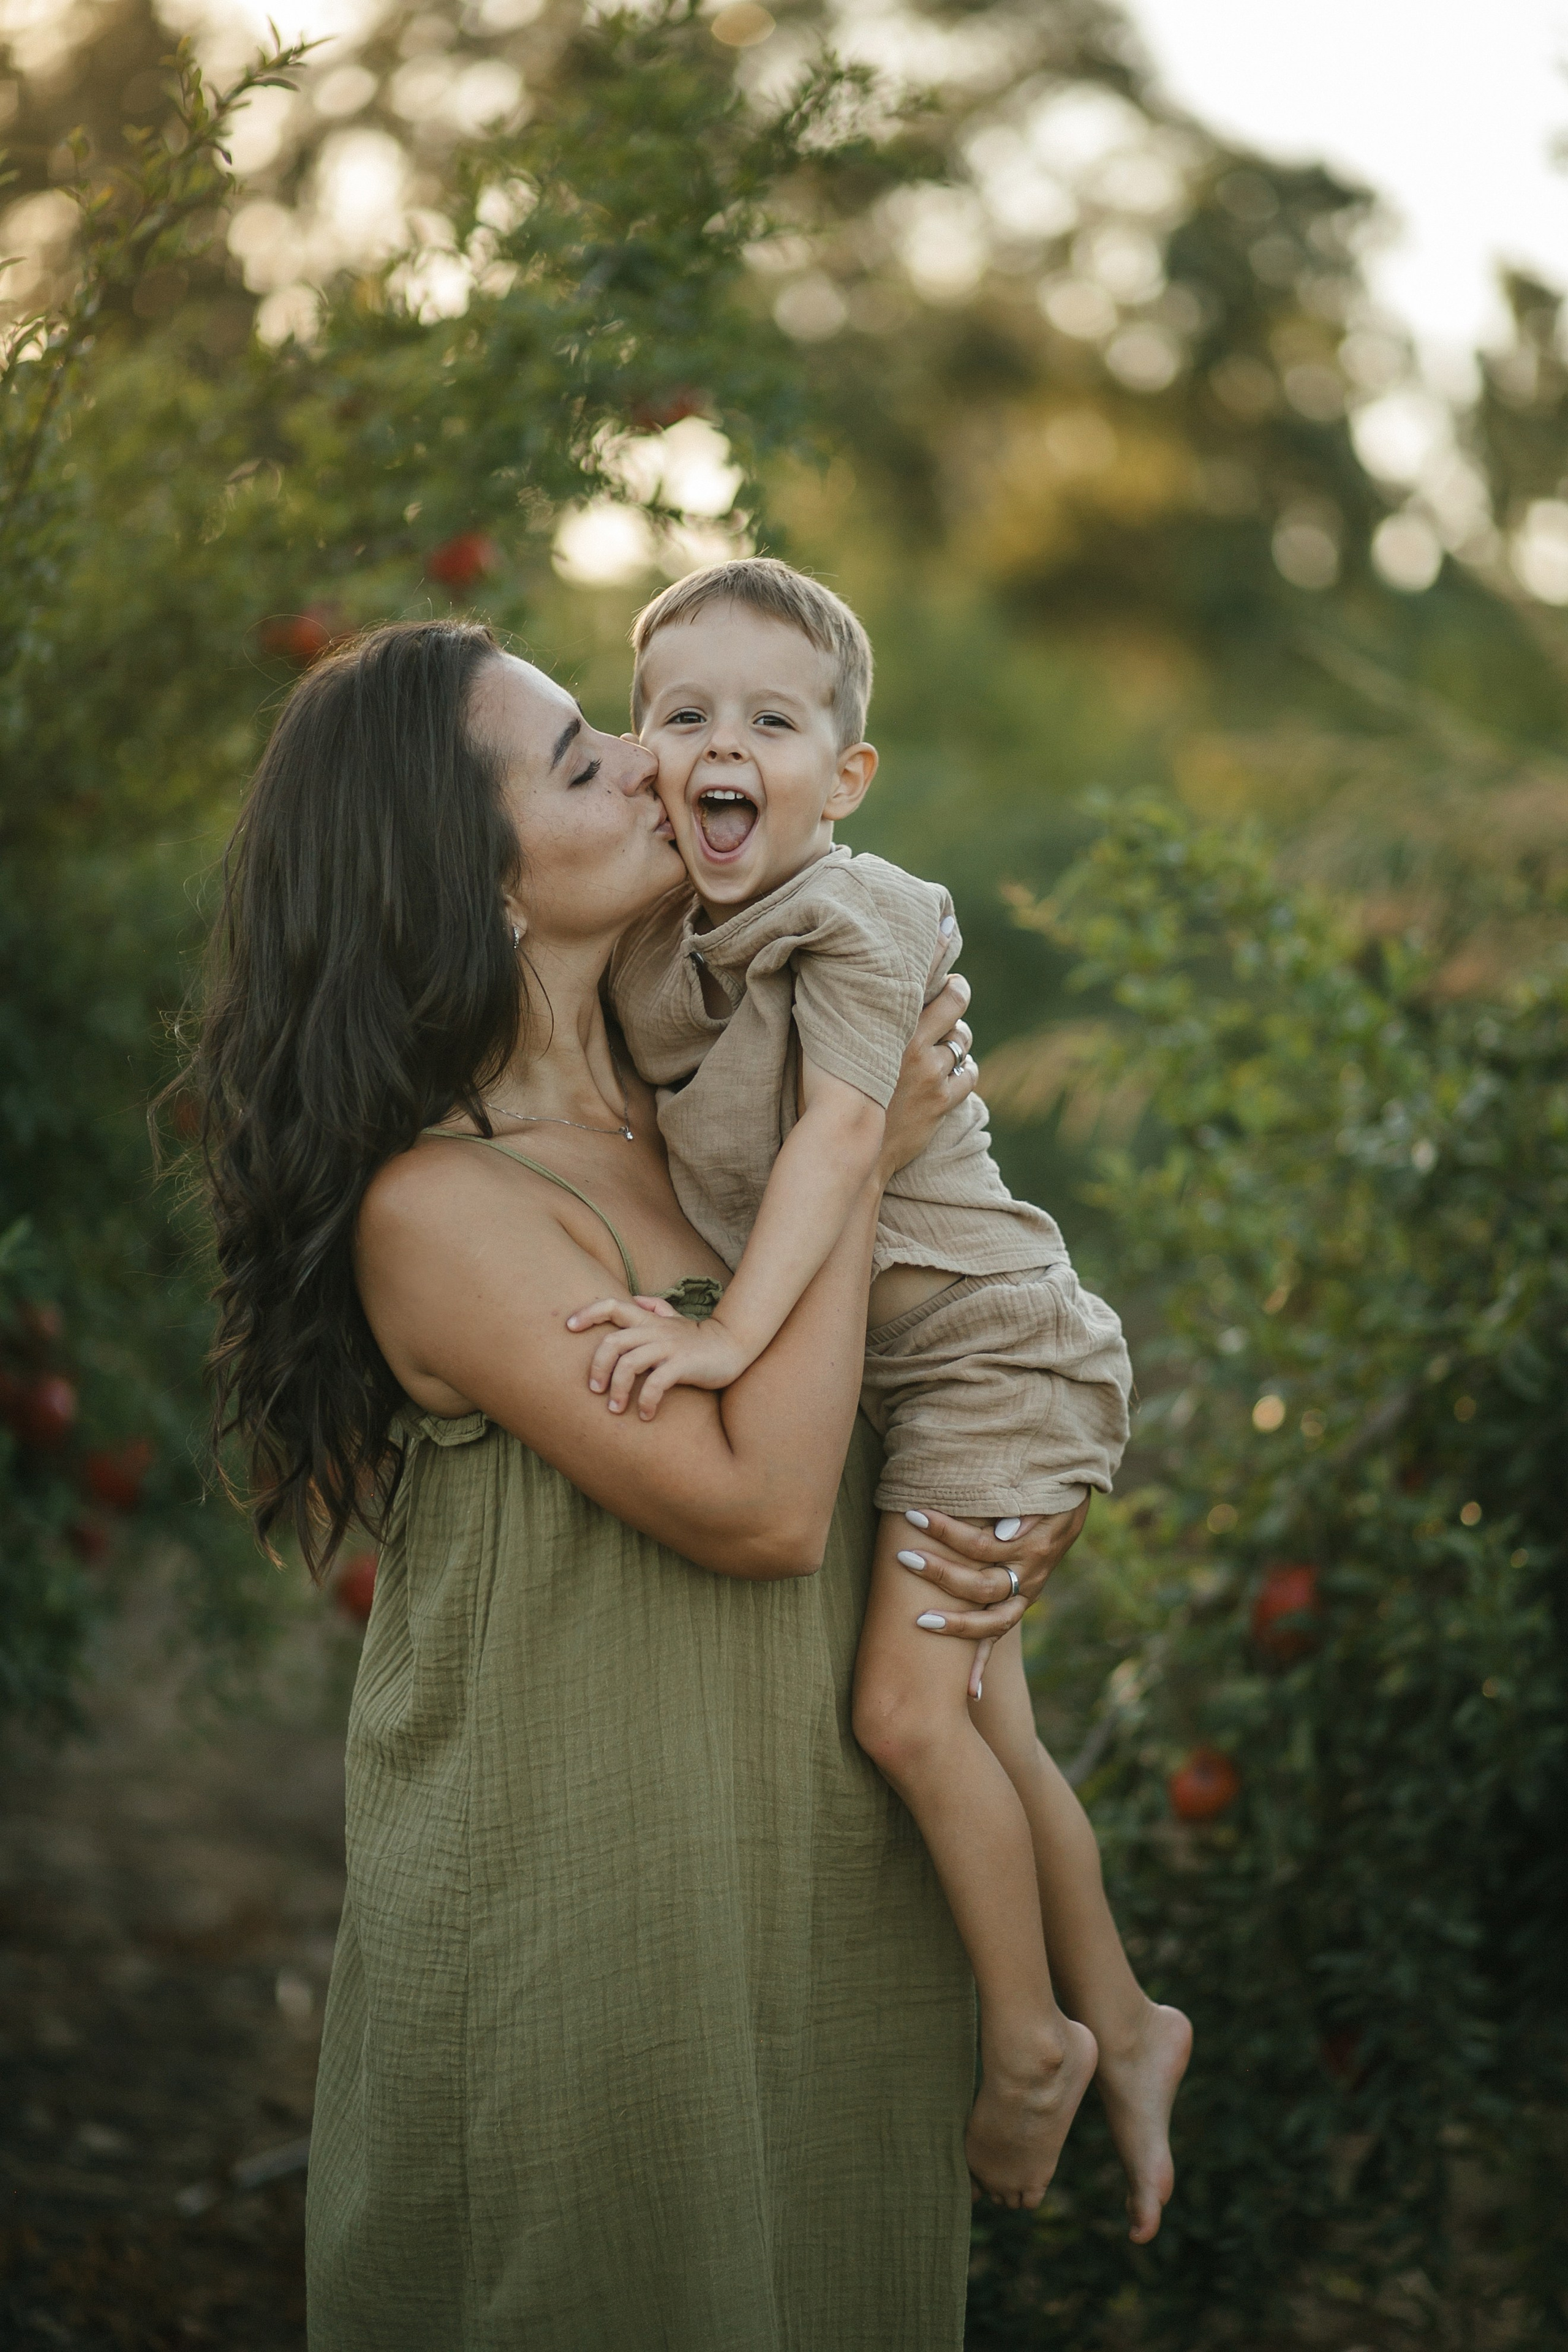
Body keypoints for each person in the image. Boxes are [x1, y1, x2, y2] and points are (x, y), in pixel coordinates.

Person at [187, 616, 1062, 2352]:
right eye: (587, 759)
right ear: (481, 885)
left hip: (821, 1916)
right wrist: (863, 1159)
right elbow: (759, 1511)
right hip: (591, 1944)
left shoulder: (723, 1114)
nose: (659, 764)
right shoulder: (437, 1211)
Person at [579, 559, 1191, 2232]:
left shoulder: (865, 917)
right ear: (641, 749)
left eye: (772, 721)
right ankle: (1134, 2023)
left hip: (993, 1352)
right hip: (913, 1380)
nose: (724, 745)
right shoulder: (661, 941)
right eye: (683, 712)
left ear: (843, 777)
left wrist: (718, 1346)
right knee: (991, 1722)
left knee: (907, 1718)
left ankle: (1028, 2045)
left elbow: (851, 1139)